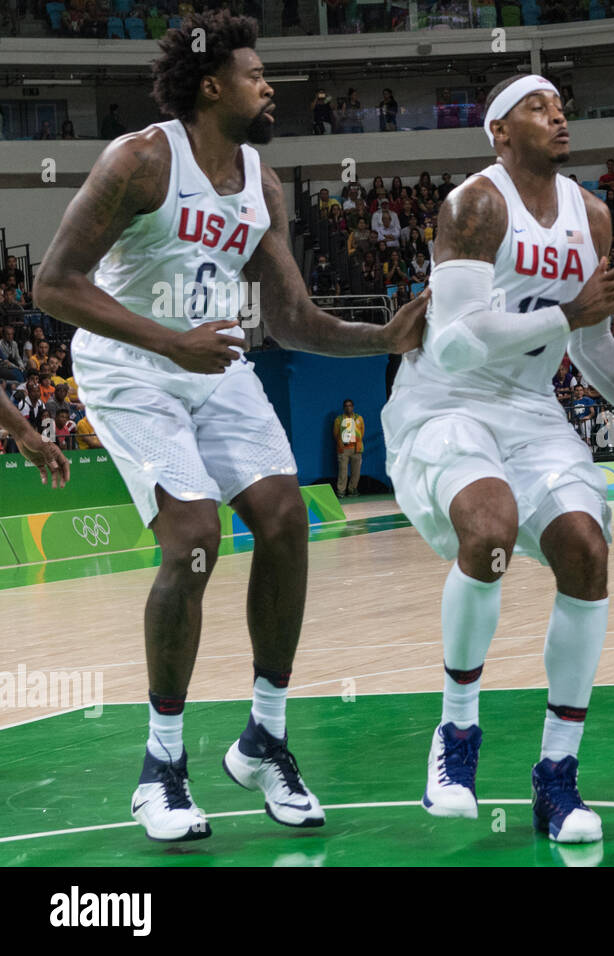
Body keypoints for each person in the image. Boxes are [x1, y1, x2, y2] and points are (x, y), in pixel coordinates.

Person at [31, 11, 427, 844]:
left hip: (215, 364)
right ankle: (161, 766)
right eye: (255, 75)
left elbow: (289, 320)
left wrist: (378, 338)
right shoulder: (140, 160)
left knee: (286, 519)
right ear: (213, 87)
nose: (268, 85)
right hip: (131, 366)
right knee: (194, 538)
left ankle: (264, 739)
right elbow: (53, 285)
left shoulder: (262, 182)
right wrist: (170, 339)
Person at [381, 73, 614, 846]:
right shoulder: (477, 204)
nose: (558, 114)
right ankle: (456, 737)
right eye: (538, 106)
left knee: (587, 549)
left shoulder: (590, 215)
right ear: (499, 132)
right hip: (446, 401)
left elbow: (591, 341)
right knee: (490, 527)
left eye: (562, 104)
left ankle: (557, 776)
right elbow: (457, 338)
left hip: (532, 411)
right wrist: (564, 315)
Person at [0, 386, 69, 486]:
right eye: (34, 391)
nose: (37, 393)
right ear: (29, 393)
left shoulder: (41, 404)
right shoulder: (24, 405)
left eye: (38, 391)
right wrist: (22, 433)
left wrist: (22, 434)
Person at [334, 398, 364, 497]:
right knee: (343, 471)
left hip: (356, 448)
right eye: (346, 406)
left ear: (353, 407)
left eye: (350, 405)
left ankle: (352, 489)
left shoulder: (359, 418)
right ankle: (341, 491)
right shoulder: (339, 419)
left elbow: (362, 432)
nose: (348, 408)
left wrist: (356, 441)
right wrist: (342, 443)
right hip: (344, 449)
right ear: (343, 408)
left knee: (356, 471)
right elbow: (335, 433)